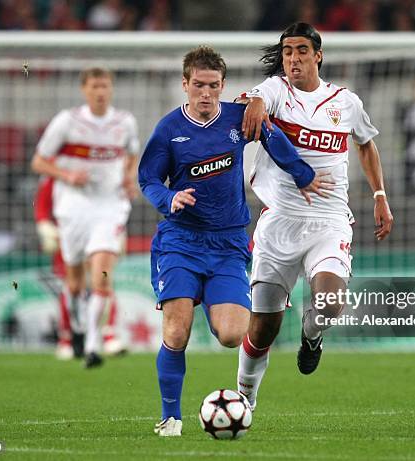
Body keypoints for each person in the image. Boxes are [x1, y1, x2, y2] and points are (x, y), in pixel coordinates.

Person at [138, 45, 331, 437]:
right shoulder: (169, 130)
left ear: (223, 85)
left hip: (226, 245)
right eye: (198, 85)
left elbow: (273, 139)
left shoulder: (238, 117)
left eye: (212, 86)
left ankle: (212, 303)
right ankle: (171, 417)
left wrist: (300, 172)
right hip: (181, 241)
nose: (205, 93)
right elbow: (148, 180)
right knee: (176, 332)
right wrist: (169, 198)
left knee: (230, 335)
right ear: (185, 85)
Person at [237, 22, 393, 410]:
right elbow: (258, 98)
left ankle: (312, 336)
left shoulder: (345, 102)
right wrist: (255, 100)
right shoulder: (276, 91)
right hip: (279, 222)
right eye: (287, 52)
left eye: (301, 51)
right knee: (262, 328)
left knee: (329, 302)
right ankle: (245, 398)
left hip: (328, 221)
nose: (293, 59)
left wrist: (379, 194)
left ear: (318, 55)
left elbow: (366, 145)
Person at [31, 67, 140, 369]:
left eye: (105, 86)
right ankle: (77, 329)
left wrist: (129, 178)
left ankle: (93, 344)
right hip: (73, 207)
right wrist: (66, 174)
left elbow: (132, 154)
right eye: (94, 86)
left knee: (102, 274)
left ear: (111, 89)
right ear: (84, 90)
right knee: (75, 282)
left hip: (110, 207)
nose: (100, 92)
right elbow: (39, 162)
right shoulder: (67, 122)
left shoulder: (125, 122)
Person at [34, 176, 128, 360]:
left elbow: (117, 200)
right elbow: (42, 205)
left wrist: (120, 231)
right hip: (69, 234)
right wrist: (46, 228)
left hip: (100, 232)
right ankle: (67, 337)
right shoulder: (56, 173)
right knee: (72, 286)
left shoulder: (106, 171)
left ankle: (109, 335)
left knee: (103, 281)